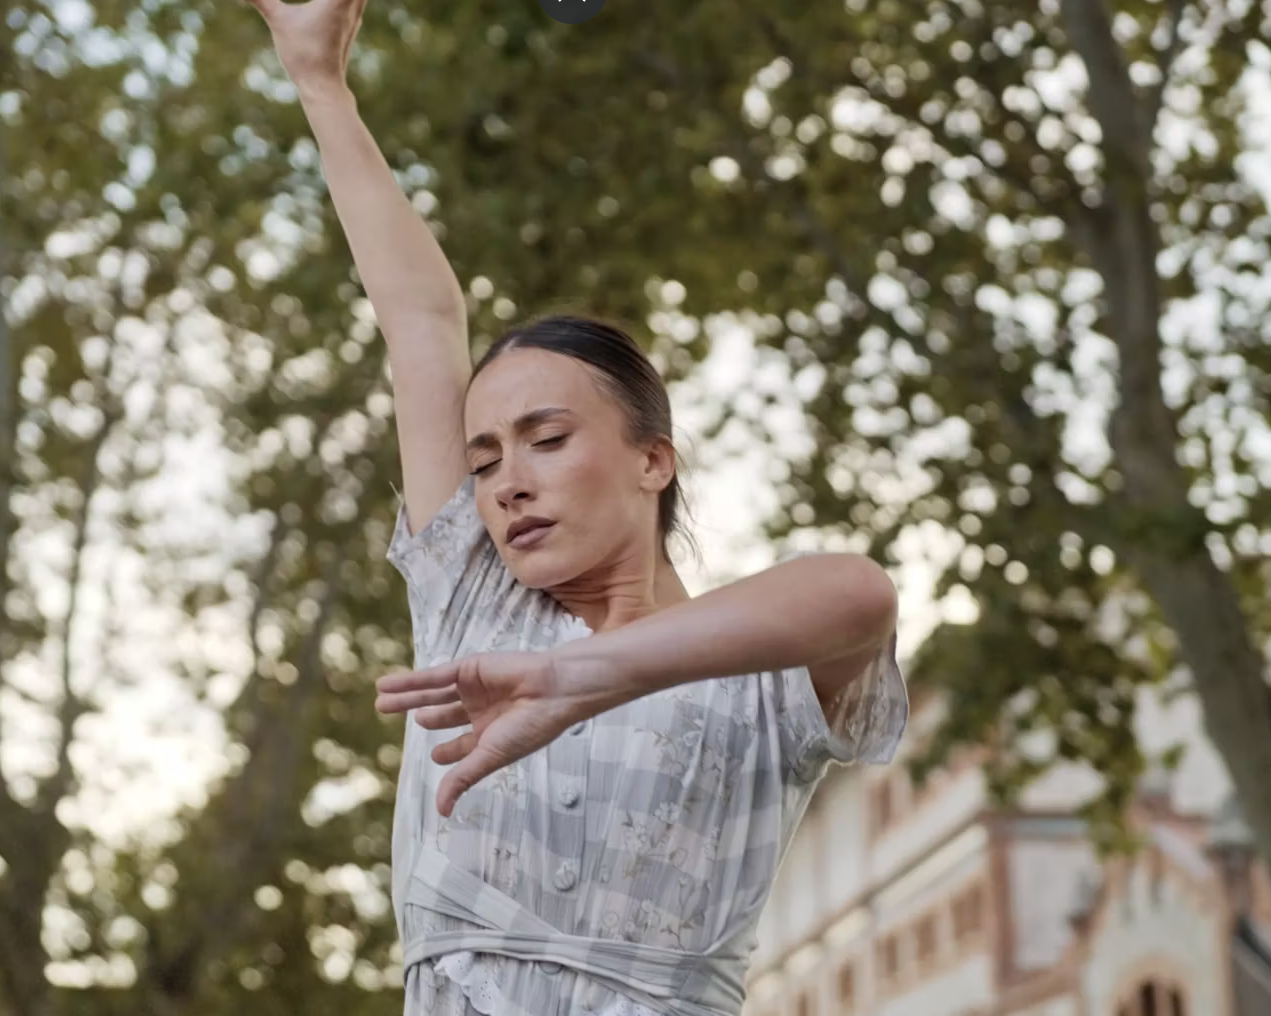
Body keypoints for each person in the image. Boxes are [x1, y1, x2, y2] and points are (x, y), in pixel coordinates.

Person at [244, 1, 910, 1014]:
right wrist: (317, 78)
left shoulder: (756, 680)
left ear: (652, 460)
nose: (505, 479)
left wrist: (575, 675)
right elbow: (422, 322)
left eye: (546, 439)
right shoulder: (471, 605)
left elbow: (857, 593)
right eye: (483, 459)